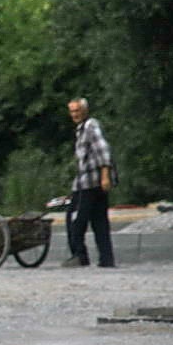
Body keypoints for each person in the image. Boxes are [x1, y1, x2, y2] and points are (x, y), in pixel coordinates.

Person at [62, 97, 116, 268]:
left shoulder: (90, 126)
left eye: (77, 111)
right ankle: (106, 259)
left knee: (74, 219)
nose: (74, 114)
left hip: (89, 184)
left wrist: (105, 175)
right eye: (71, 111)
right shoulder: (81, 130)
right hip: (88, 183)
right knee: (99, 221)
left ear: (85, 111)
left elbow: (103, 149)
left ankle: (79, 255)